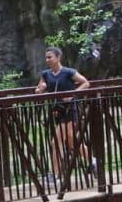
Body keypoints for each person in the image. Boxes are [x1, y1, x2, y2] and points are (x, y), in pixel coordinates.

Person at [35, 46, 95, 188]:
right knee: (71, 142)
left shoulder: (69, 72)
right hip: (57, 112)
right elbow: (38, 91)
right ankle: (93, 162)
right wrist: (40, 89)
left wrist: (73, 95)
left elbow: (86, 83)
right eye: (46, 57)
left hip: (70, 111)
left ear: (58, 57)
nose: (48, 60)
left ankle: (55, 175)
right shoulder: (45, 74)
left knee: (56, 141)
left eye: (50, 57)